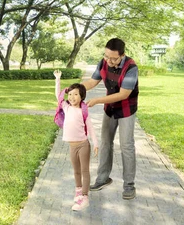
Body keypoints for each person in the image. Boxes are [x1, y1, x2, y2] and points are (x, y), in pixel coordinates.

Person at [82, 38, 139, 200]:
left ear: (122, 55)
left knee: (127, 145)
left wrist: (97, 100)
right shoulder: (103, 62)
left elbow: (123, 94)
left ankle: (129, 185)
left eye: (113, 58)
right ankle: (103, 178)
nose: (109, 61)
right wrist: (75, 89)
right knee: (105, 142)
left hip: (126, 109)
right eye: (106, 56)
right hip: (110, 108)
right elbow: (93, 82)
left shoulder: (131, 68)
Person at [54, 70, 99, 211]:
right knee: (76, 171)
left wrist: (96, 143)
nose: (72, 97)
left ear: (81, 97)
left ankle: (85, 197)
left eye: (75, 94)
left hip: (83, 145)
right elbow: (58, 96)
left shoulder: (83, 111)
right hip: (72, 146)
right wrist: (58, 80)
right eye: (70, 94)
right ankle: (78, 192)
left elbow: (90, 128)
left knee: (85, 171)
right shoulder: (66, 108)